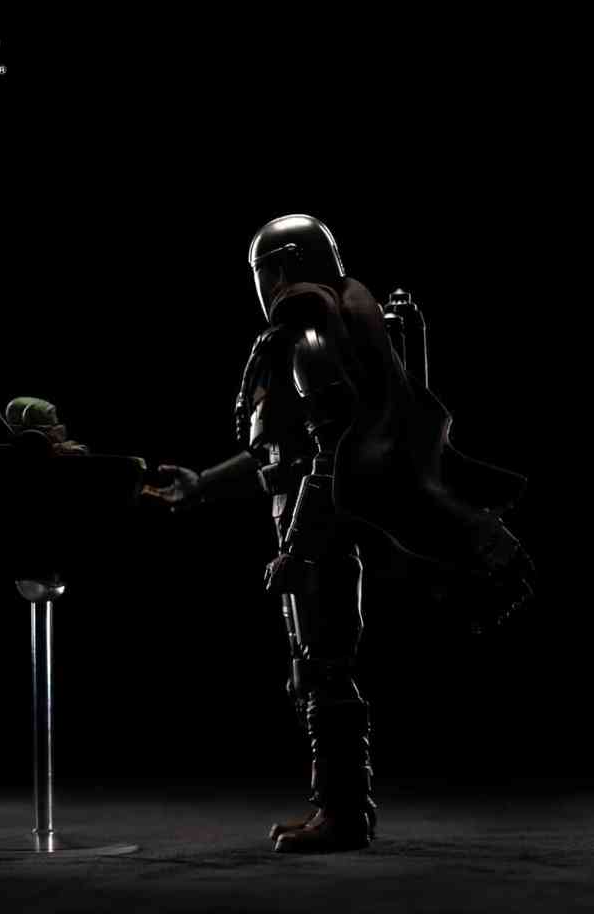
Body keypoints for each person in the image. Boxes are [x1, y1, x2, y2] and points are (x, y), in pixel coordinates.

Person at [144, 214, 533, 853]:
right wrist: (203, 484)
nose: (262, 285)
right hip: (304, 517)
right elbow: (280, 453)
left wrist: (300, 549)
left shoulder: (313, 332)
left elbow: (332, 451)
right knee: (314, 667)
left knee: (322, 667)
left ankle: (344, 814)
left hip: (318, 525)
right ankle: (339, 810)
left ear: (284, 267)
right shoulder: (305, 333)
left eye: (265, 271)